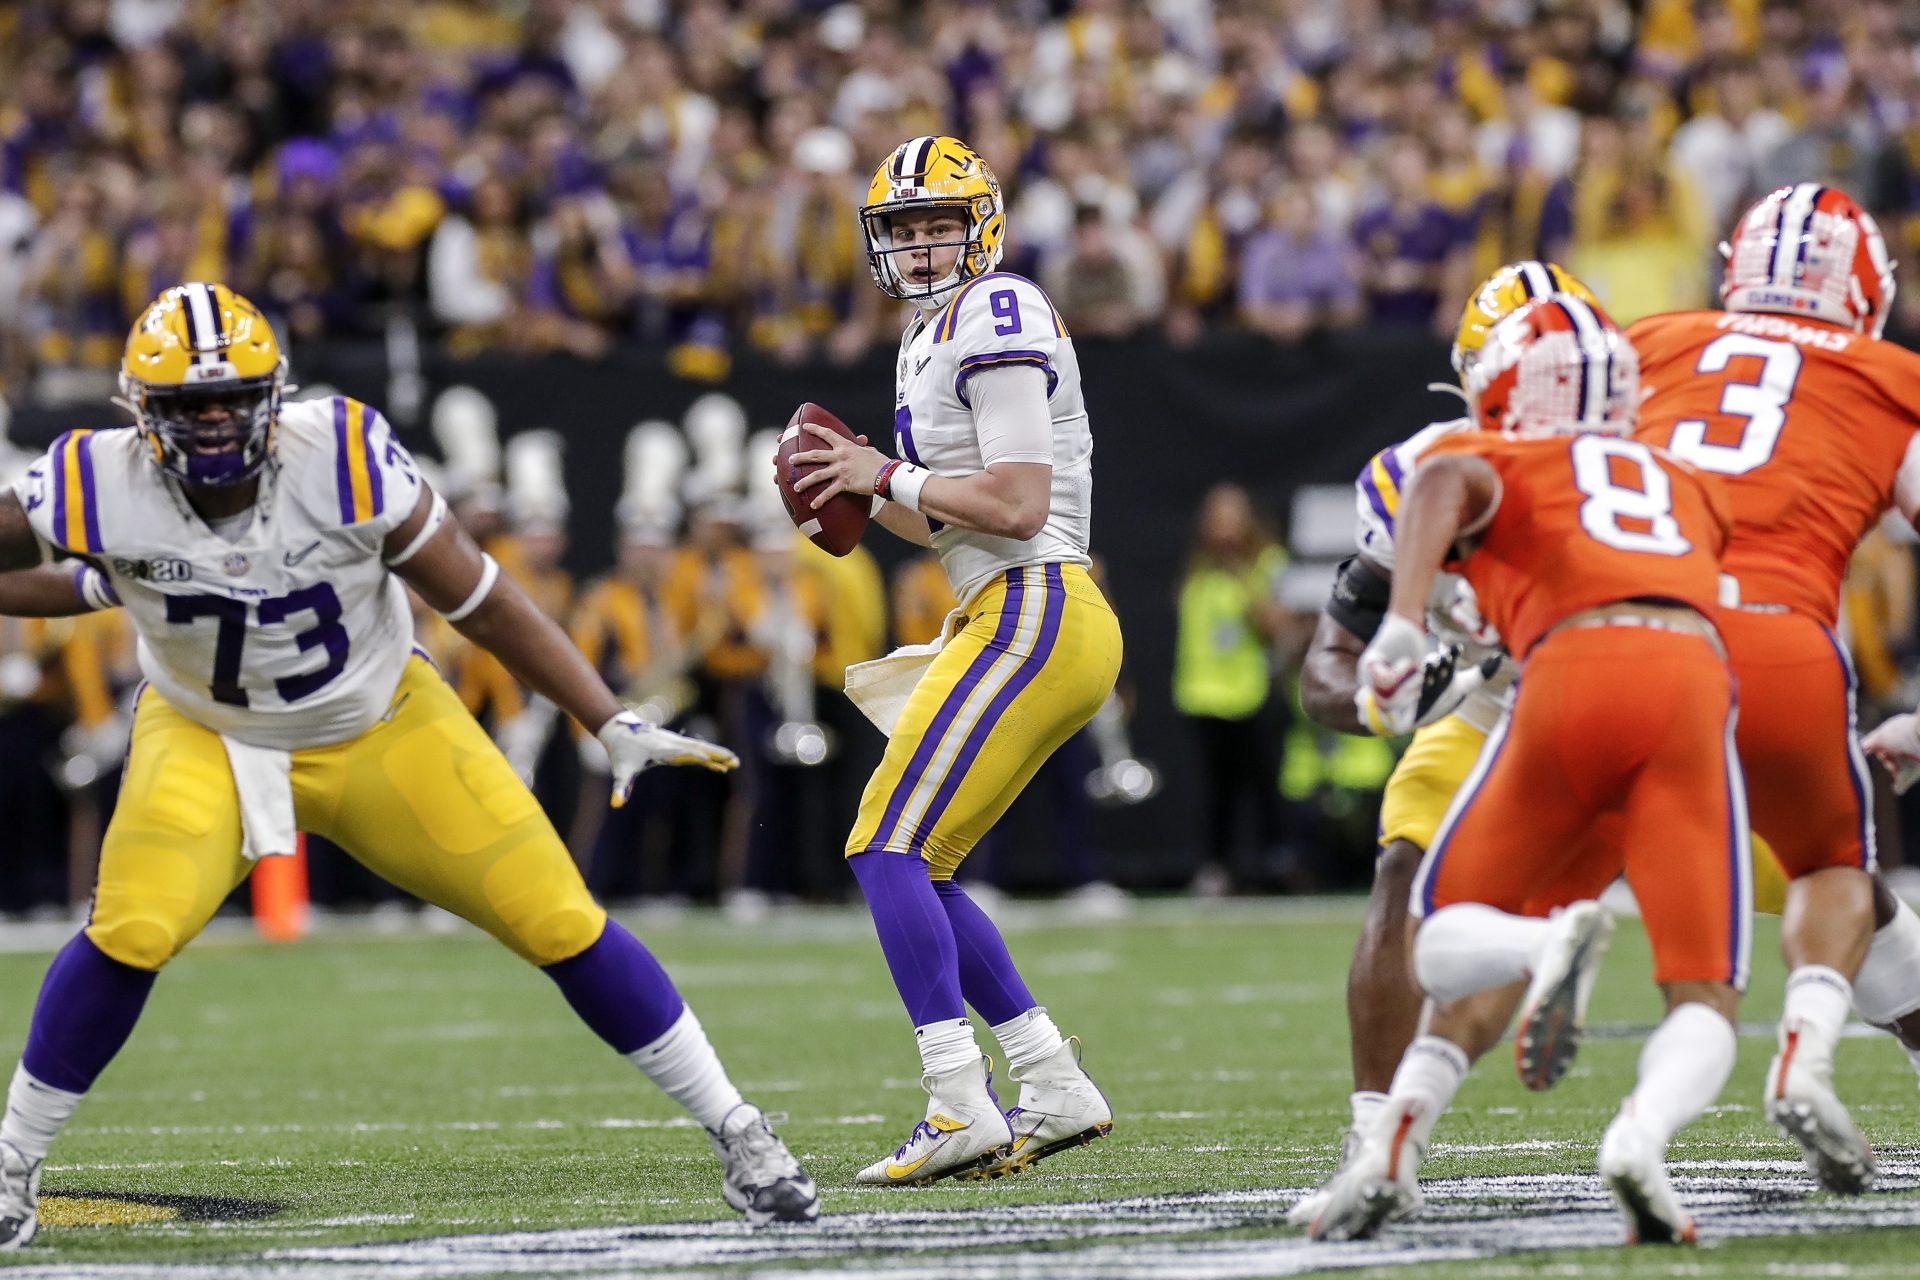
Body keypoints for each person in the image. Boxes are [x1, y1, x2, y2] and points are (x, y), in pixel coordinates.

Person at [0, 283, 819, 1249]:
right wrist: (108, 577)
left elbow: (480, 596)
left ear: (278, 395)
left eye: (233, 398)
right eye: (187, 405)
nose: (214, 423)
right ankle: (14, 1161)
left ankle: (739, 1129)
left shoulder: (339, 455)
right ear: (141, 412)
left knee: (558, 916)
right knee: (131, 928)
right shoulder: (98, 481)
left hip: (382, 723)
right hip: (207, 733)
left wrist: (606, 716)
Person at [1315, 293, 1748, 1245]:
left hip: (1560, 681)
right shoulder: (1675, 465)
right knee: (1739, 957)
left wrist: (1400, 628)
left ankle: (1531, 961)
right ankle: (1643, 1130)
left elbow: (1442, 486)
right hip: (1678, 684)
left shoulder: (1463, 459)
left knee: (1446, 927)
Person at [787, 135, 1122, 1186]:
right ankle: (1051, 1079)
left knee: (884, 847)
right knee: (916, 860)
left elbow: (1018, 504)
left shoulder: (997, 310)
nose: (926, 247)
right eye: (906, 229)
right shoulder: (929, 334)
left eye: (941, 225)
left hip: (1039, 602)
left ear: (981, 226)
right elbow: (950, 526)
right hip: (1007, 602)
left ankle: (956, 1098)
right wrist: (862, 491)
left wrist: (880, 467)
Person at [1291, 261, 1637, 1226]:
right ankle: (1377, 1141)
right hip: (1497, 700)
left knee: (1823, 878)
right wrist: (1378, 704)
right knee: (1405, 868)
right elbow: (1330, 661)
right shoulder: (1423, 472)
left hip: (1624, 689)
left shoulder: (1652, 452)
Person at [1631, 183, 1920, 1192]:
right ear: (1866, 293)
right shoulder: (1892, 377)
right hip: (1777, 645)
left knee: (1500, 865)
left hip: (1618, 642)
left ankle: (1397, 1121)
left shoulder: (1652, 340)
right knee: (1832, 865)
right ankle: (1805, 1044)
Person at [1173, 483, 1287, 895]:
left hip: (1249, 693)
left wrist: (1241, 575)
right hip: (1202, 695)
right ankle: (1217, 869)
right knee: (1214, 790)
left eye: (1231, 516)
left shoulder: (1266, 563)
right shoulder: (1197, 567)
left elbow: (1276, 626)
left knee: (1262, 786)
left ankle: (1273, 867)